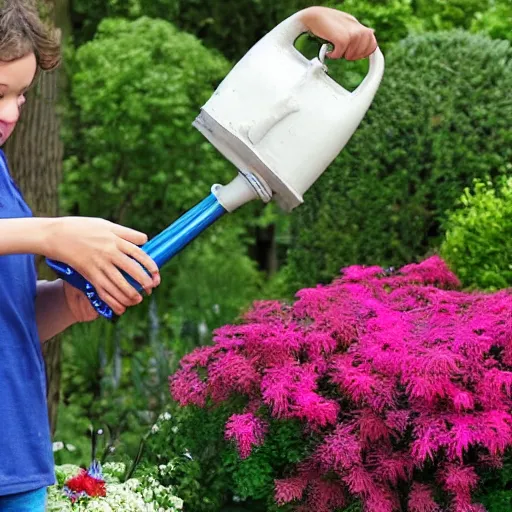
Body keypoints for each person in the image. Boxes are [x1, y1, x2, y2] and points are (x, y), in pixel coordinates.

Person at [0, 1, 377, 510]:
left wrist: (69, 304)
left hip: (16, 458)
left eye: (21, 95)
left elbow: (11, 318)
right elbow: (38, 237)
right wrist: (48, 234)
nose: (9, 113)